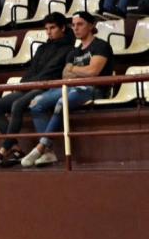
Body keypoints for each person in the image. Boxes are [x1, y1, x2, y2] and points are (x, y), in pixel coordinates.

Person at [21, 12, 114, 167]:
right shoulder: (74, 51)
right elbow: (65, 75)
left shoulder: (101, 46)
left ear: (91, 26)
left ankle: (41, 147)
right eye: (73, 24)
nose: (75, 28)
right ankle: (49, 153)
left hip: (95, 89)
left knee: (60, 102)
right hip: (71, 87)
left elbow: (93, 72)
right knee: (36, 103)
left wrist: (74, 69)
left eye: (80, 24)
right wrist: (78, 72)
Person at [0, 13, 74, 168]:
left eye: (52, 28)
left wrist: (32, 83)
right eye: (46, 28)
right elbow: (32, 69)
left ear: (63, 27)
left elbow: (53, 71)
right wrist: (24, 83)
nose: (49, 32)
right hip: (30, 85)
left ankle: (2, 151)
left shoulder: (69, 49)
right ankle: (15, 148)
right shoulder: (42, 47)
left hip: (47, 87)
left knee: (18, 105)